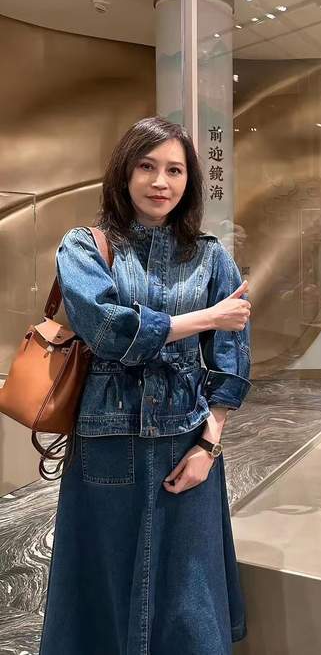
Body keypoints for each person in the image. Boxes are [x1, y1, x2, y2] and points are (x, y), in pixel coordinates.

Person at [39, 117, 251, 655]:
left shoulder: (210, 256)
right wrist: (206, 318)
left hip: (187, 444)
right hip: (106, 446)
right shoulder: (85, 247)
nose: (161, 181)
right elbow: (110, 331)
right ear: (124, 173)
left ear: (190, 180)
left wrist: (208, 446)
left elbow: (231, 361)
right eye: (147, 166)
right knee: (103, 589)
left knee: (188, 599)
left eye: (175, 170)